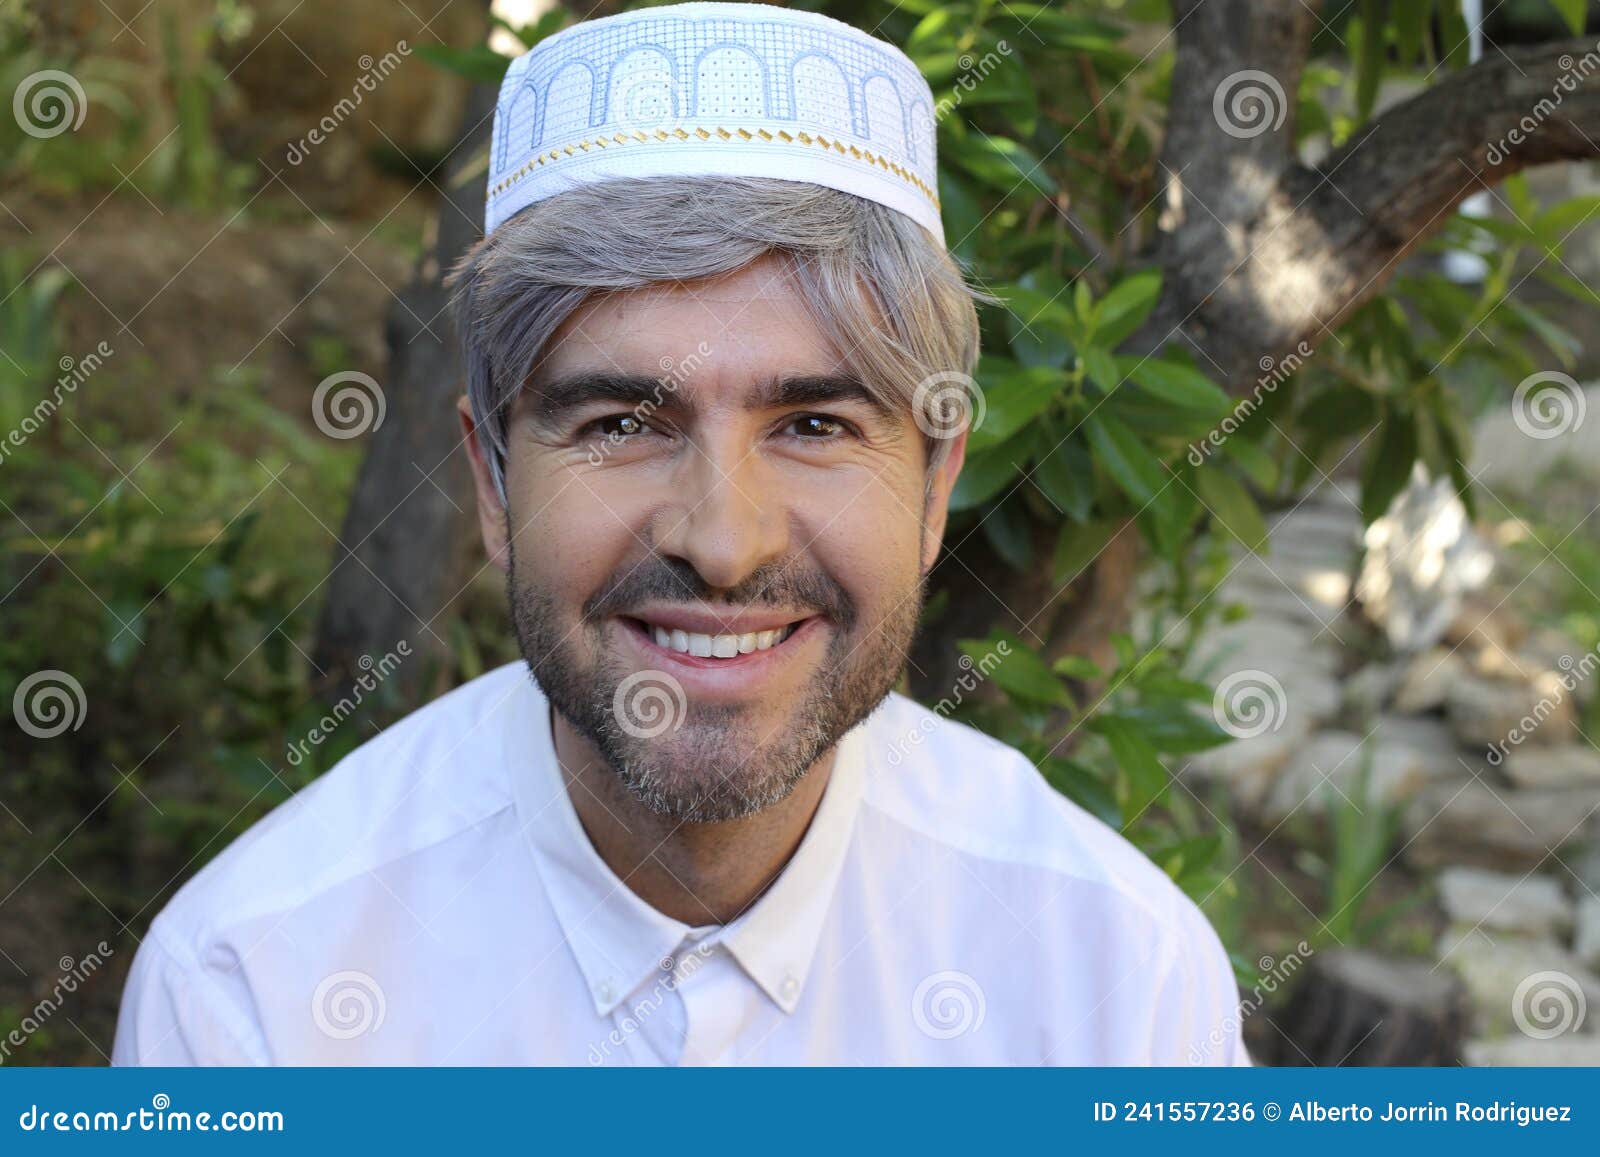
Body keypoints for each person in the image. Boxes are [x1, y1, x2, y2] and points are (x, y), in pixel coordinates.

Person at [113, 1, 1247, 1066]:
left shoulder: (1120, 984)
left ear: (935, 482)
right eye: (619, 422)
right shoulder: (249, 994)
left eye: (812, 423)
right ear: (495, 482)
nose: (724, 541)